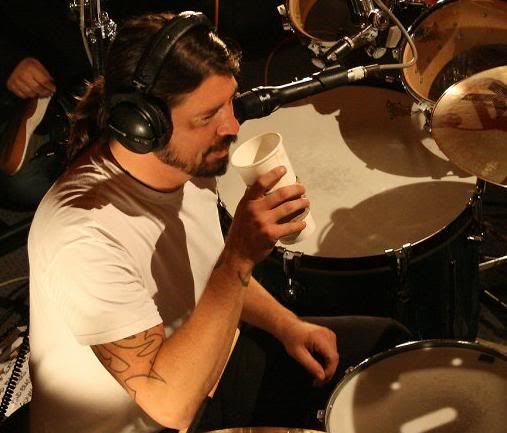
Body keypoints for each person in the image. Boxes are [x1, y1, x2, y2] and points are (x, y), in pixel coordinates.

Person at [27, 11, 412, 433]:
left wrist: (287, 325)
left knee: (387, 348)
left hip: (208, 365)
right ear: (143, 126)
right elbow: (170, 406)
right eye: (207, 116)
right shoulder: (82, 234)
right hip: (157, 418)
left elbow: (205, 271)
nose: (232, 126)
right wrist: (239, 256)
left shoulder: (187, 164)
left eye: (230, 101)